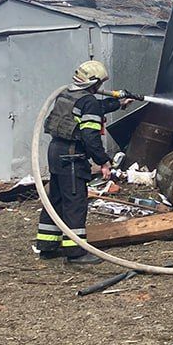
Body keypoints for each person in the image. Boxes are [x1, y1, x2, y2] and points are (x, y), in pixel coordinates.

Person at [35, 60, 132, 264]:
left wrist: (118, 103)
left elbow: (93, 107)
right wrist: (103, 161)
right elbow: (90, 137)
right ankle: (76, 252)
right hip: (72, 156)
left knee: (56, 199)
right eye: (100, 83)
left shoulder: (66, 94)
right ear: (93, 82)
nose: (101, 87)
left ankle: (47, 245)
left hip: (56, 151)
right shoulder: (88, 102)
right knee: (75, 203)